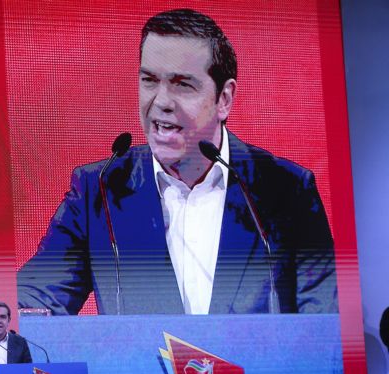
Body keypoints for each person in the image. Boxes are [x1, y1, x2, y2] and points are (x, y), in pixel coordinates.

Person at [17, 9, 338, 315]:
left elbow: (324, 318)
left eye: (182, 84)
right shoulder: (99, 189)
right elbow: (35, 297)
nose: (161, 102)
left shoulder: (287, 190)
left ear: (224, 99)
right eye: (149, 80)